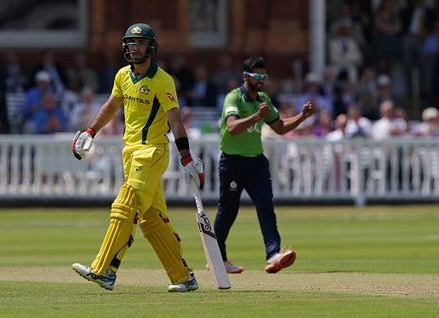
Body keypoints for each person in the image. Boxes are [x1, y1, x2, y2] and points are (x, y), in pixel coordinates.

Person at [71, 23, 204, 293]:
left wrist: (187, 156)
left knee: (125, 202)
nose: (134, 47)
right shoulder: (122, 75)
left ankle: (105, 269)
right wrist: (91, 131)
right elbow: (111, 105)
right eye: (130, 43)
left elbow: (175, 121)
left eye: (140, 43)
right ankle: (183, 277)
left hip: (153, 152)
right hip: (130, 153)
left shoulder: (162, 80)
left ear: (151, 48)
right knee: (151, 218)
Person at [213, 56, 315, 274]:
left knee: (266, 205)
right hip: (232, 161)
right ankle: (217, 257)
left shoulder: (263, 99)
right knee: (228, 211)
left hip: (256, 161)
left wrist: (302, 117)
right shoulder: (234, 98)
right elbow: (232, 128)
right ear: (245, 77)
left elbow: (279, 127)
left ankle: (273, 254)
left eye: (264, 76)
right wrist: (256, 116)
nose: (261, 80)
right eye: (257, 76)